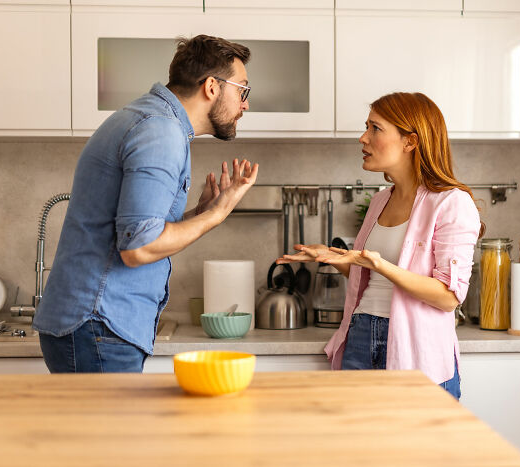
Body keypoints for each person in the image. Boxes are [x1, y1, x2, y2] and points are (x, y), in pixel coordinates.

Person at [33, 35, 259, 373]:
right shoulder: (161, 132)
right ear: (212, 86)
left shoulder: (147, 119)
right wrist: (215, 215)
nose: (245, 104)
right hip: (100, 323)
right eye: (242, 90)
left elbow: (136, 230)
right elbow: (138, 248)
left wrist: (199, 213)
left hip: (91, 324)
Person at [277, 92, 481, 399]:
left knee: (412, 447)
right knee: (362, 444)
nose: (363, 138)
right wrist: (334, 258)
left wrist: (382, 265)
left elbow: (448, 297)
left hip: (416, 350)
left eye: (375, 128)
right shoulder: (380, 200)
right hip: (360, 334)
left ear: (410, 142)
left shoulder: (452, 203)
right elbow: (371, 277)